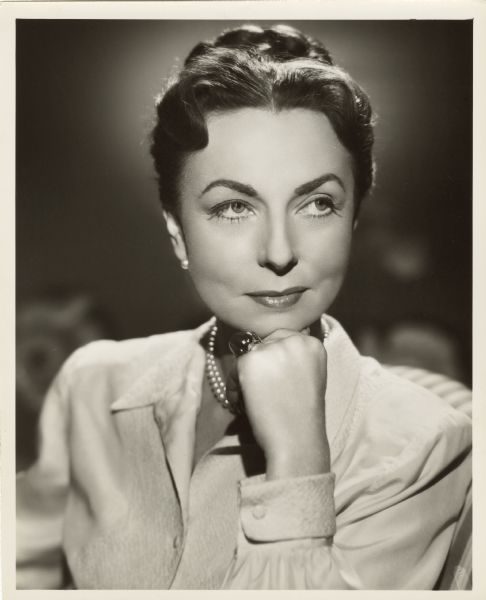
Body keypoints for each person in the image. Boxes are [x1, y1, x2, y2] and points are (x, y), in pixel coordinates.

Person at [16, 24, 471, 590]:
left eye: (318, 203)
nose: (279, 252)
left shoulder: (421, 445)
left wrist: (299, 462)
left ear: (353, 220)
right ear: (178, 232)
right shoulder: (90, 387)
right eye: (233, 207)